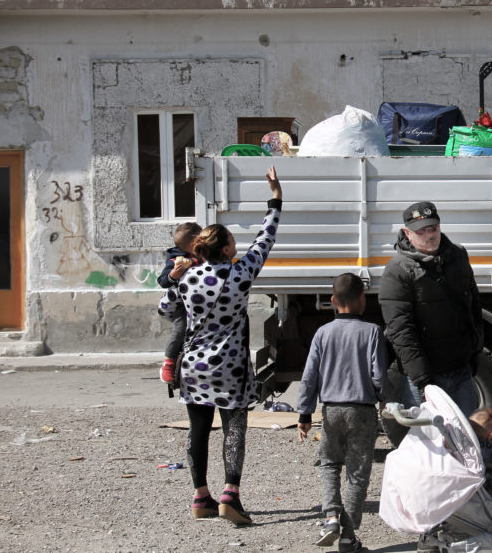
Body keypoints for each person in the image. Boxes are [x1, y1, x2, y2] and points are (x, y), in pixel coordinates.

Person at [157, 166, 282, 526]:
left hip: (194, 366)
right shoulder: (240, 273)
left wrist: (176, 281)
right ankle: (231, 496)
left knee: (198, 432)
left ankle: (201, 498)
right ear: (226, 248)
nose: (236, 245)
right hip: (231, 368)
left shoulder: (188, 276)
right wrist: (275, 197)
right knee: (234, 430)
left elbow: (165, 310)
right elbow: (266, 238)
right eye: (232, 241)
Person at [297, 272, 389, 551]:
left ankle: (330, 517)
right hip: (362, 410)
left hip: (331, 410)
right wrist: (384, 401)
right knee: (358, 472)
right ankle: (348, 536)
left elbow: (309, 376)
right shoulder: (372, 331)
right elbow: (379, 376)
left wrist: (304, 414)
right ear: (362, 300)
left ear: (333, 301)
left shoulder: (323, 333)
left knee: (329, 463)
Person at [380, 201, 483, 416]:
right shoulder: (398, 270)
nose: (430, 235)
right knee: (428, 443)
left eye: (433, 228)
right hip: (425, 380)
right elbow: (400, 330)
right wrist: (422, 380)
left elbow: (473, 305)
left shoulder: (458, 255)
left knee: (467, 440)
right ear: (407, 233)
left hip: (461, 370)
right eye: (422, 231)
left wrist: (475, 350)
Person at [158, 221, 202, 384]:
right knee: (181, 327)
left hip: (201, 303)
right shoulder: (176, 258)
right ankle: (168, 362)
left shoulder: (205, 255)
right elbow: (163, 281)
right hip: (179, 305)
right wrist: (174, 275)